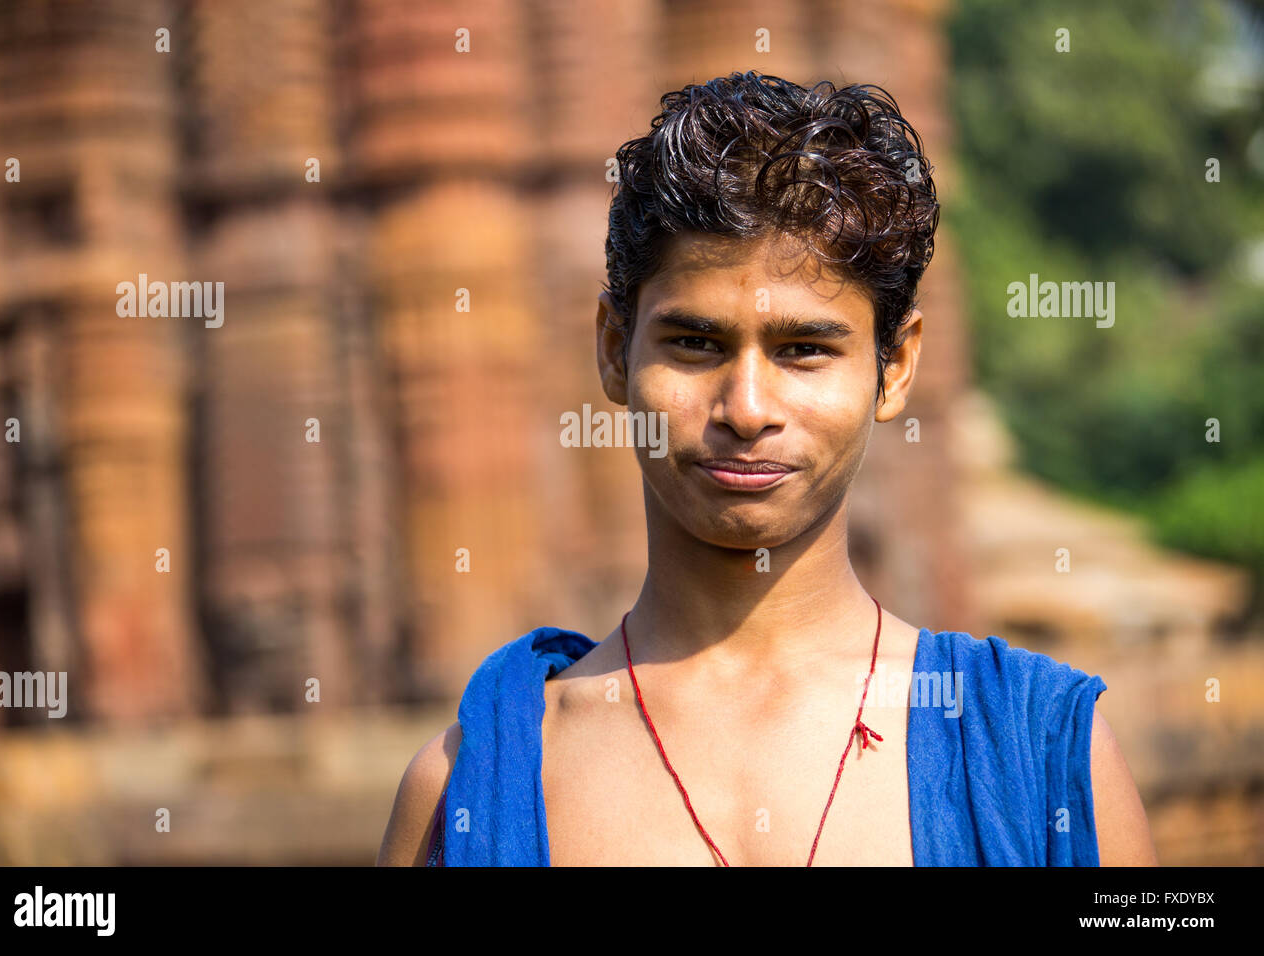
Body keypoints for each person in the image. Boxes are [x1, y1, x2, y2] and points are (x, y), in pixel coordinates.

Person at [377, 70, 1159, 867]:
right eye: (695, 344)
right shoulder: (472, 793)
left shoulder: (1038, 751)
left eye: (804, 350)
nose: (746, 409)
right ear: (616, 350)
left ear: (894, 368)